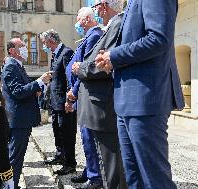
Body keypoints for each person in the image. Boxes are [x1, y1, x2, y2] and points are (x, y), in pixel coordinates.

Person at [95, 0, 184, 188]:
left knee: (154, 179)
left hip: (146, 99)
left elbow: (158, 38)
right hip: (128, 100)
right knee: (134, 178)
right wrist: (111, 60)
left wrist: (114, 55)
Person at [73, 0, 127, 188]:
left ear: (103, 7)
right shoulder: (109, 27)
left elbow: (104, 65)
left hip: (102, 105)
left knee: (111, 164)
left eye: (95, 7)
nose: (95, 11)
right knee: (106, 163)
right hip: (97, 104)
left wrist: (81, 68)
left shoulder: (118, 24)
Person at [1, 38, 52, 188]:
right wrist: (39, 82)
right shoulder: (11, 66)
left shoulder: (18, 65)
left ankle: (12, 184)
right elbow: (17, 92)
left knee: (18, 155)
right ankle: (9, 186)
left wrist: (35, 90)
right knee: (15, 157)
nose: (25, 48)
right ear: (12, 50)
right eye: (21, 46)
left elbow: (24, 88)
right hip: (18, 119)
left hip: (21, 118)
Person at [66, 7, 103, 189]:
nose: (77, 23)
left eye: (79, 19)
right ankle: (89, 171)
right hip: (80, 93)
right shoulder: (87, 37)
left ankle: (95, 177)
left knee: (89, 137)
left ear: (88, 19)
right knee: (85, 137)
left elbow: (85, 68)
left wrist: (73, 91)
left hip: (83, 92)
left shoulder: (94, 36)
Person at [40, 29, 77, 175]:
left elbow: (69, 78)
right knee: (57, 130)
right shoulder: (55, 55)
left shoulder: (66, 53)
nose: (44, 46)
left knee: (67, 132)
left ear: (51, 41)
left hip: (64, 102)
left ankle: (70, 163)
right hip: (55, 102)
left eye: (44, 43)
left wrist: (69, 100)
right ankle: (60, 156)